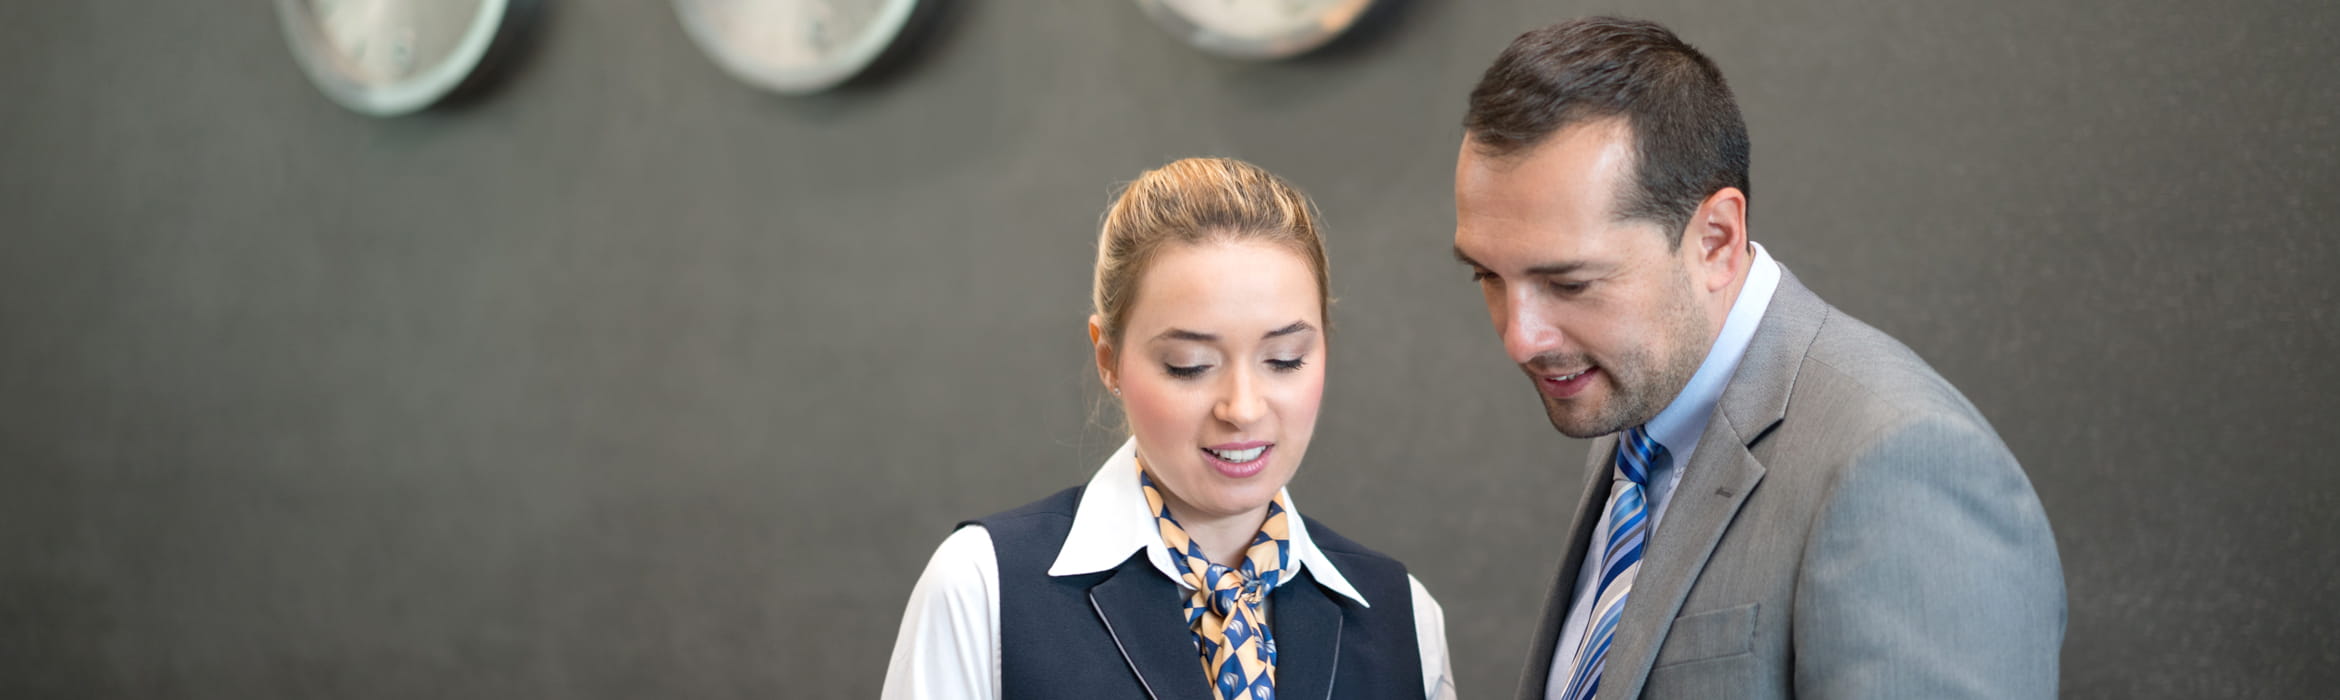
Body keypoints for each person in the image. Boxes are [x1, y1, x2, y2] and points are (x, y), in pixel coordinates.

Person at [1449, 17, 2066, 700]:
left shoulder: (1904, 464)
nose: (1520, 338)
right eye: (1487, 277)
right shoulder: (1642, 416)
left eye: (1569, 284)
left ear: (1716, 238)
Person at [882, 157, 1456, 700]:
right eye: (1190, 366)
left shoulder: (1403, 617)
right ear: (1108, 357)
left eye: (1284, 359)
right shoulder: (983, 588)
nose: (1243, 408)